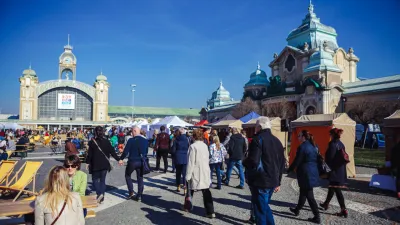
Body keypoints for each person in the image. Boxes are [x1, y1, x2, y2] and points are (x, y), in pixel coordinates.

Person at [243, 117, 285, 225]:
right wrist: (278, 181)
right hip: (272, 180)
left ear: (260, 127)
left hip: (261, 180)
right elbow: (281, 163)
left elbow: (253, 161)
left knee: (260, 211)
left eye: (256, 126)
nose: (255, 129)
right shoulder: (277, 141)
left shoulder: (257, 139)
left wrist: (244, 162)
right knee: (264, 207)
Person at [287, 130, 320, 224]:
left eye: (299, 136)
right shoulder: (315, 146)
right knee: (303, 192)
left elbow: (297, 161)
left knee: (310, 196)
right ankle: (297, 210)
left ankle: (317, 216)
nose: (298, 137)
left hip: (306, 173)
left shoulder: (302, 147)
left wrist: (289, 169)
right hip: (312, 171)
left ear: (304, 137)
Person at [186, 129, 215, 218]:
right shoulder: (205, 145)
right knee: (206, 191)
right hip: (205, 170)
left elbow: (191, 162)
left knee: (190, 189)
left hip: (196, 171)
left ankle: (187, 206)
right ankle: (210, 211)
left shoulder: (193, 146)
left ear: (194, 136)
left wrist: (188, 175)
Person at [86, 126, 120, 204]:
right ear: (103, 132)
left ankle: (99, 193)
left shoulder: (92, 142)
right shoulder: (107, 141)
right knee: (102, 180)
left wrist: (87, 162)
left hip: (95, 164)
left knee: (95, 180)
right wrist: (119, 159)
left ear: (95, 132)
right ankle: (102, 196)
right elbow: (112, 152)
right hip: (105, 164)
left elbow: (90, 154)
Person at [320, 128, 348, 217]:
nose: (329, 136)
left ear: (332, 135)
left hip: (334, 171)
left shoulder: (332, 144)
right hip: (340, 170)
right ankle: (326, 203)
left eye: (330, 134)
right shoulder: (341, 144)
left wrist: (325, 171)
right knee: (332, 188)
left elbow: (330, 160)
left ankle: (344, 209)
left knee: (337, 190)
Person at [119, 126, 148, 201]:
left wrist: (121, 159)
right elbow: (146, 152)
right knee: (140, 178)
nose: (131, 133)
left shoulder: (131, 140)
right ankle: (139, 195)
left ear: (135, 131)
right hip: (141, 162)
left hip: (132, 161)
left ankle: (131, 192)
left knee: (127, 175)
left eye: (132, 131)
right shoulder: (145, 140)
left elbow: (125, 151)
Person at [171, 127, 190, 192]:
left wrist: (173, 155)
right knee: (184, 173)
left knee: (178, 173)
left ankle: (178, 186)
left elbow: (173, 150)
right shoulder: (187, 139)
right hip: (185, 157)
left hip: (178, 157)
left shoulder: (176, 139)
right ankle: (185, 187)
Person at [391, 135, 400, 199]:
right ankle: (398, 192)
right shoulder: (396, 147)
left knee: (398, 178)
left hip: (396, 164)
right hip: (397, 164)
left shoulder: (395, 147)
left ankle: (398, 191)